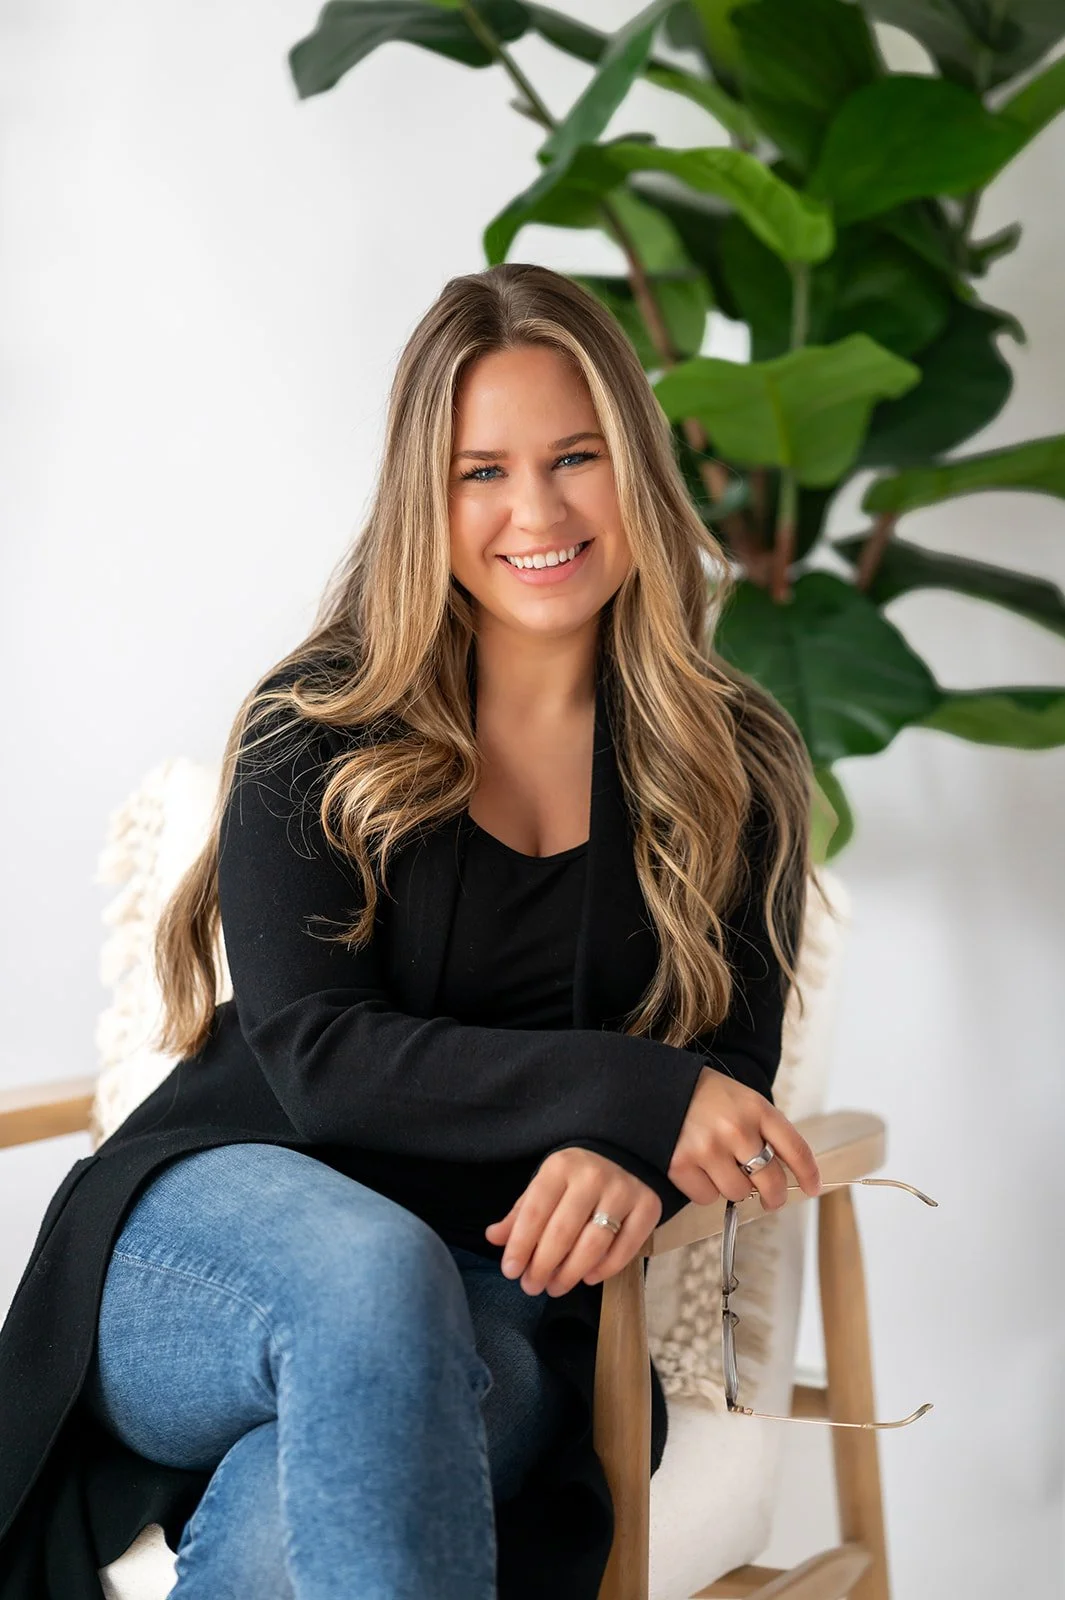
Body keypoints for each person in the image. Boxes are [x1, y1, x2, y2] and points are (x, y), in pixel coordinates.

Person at [0, 261, 824, 1600]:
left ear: (637, 467)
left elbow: (730, 1075)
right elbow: (320, 1055)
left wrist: (643, 1160)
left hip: (500, 1302)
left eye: (576, 457)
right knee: (373, 1278)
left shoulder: (735, 765)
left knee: (301, 1507)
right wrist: (640, 1093)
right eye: (480, 472)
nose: (537, 510)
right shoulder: (317, 727)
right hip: (207, 1241)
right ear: (421, 502)